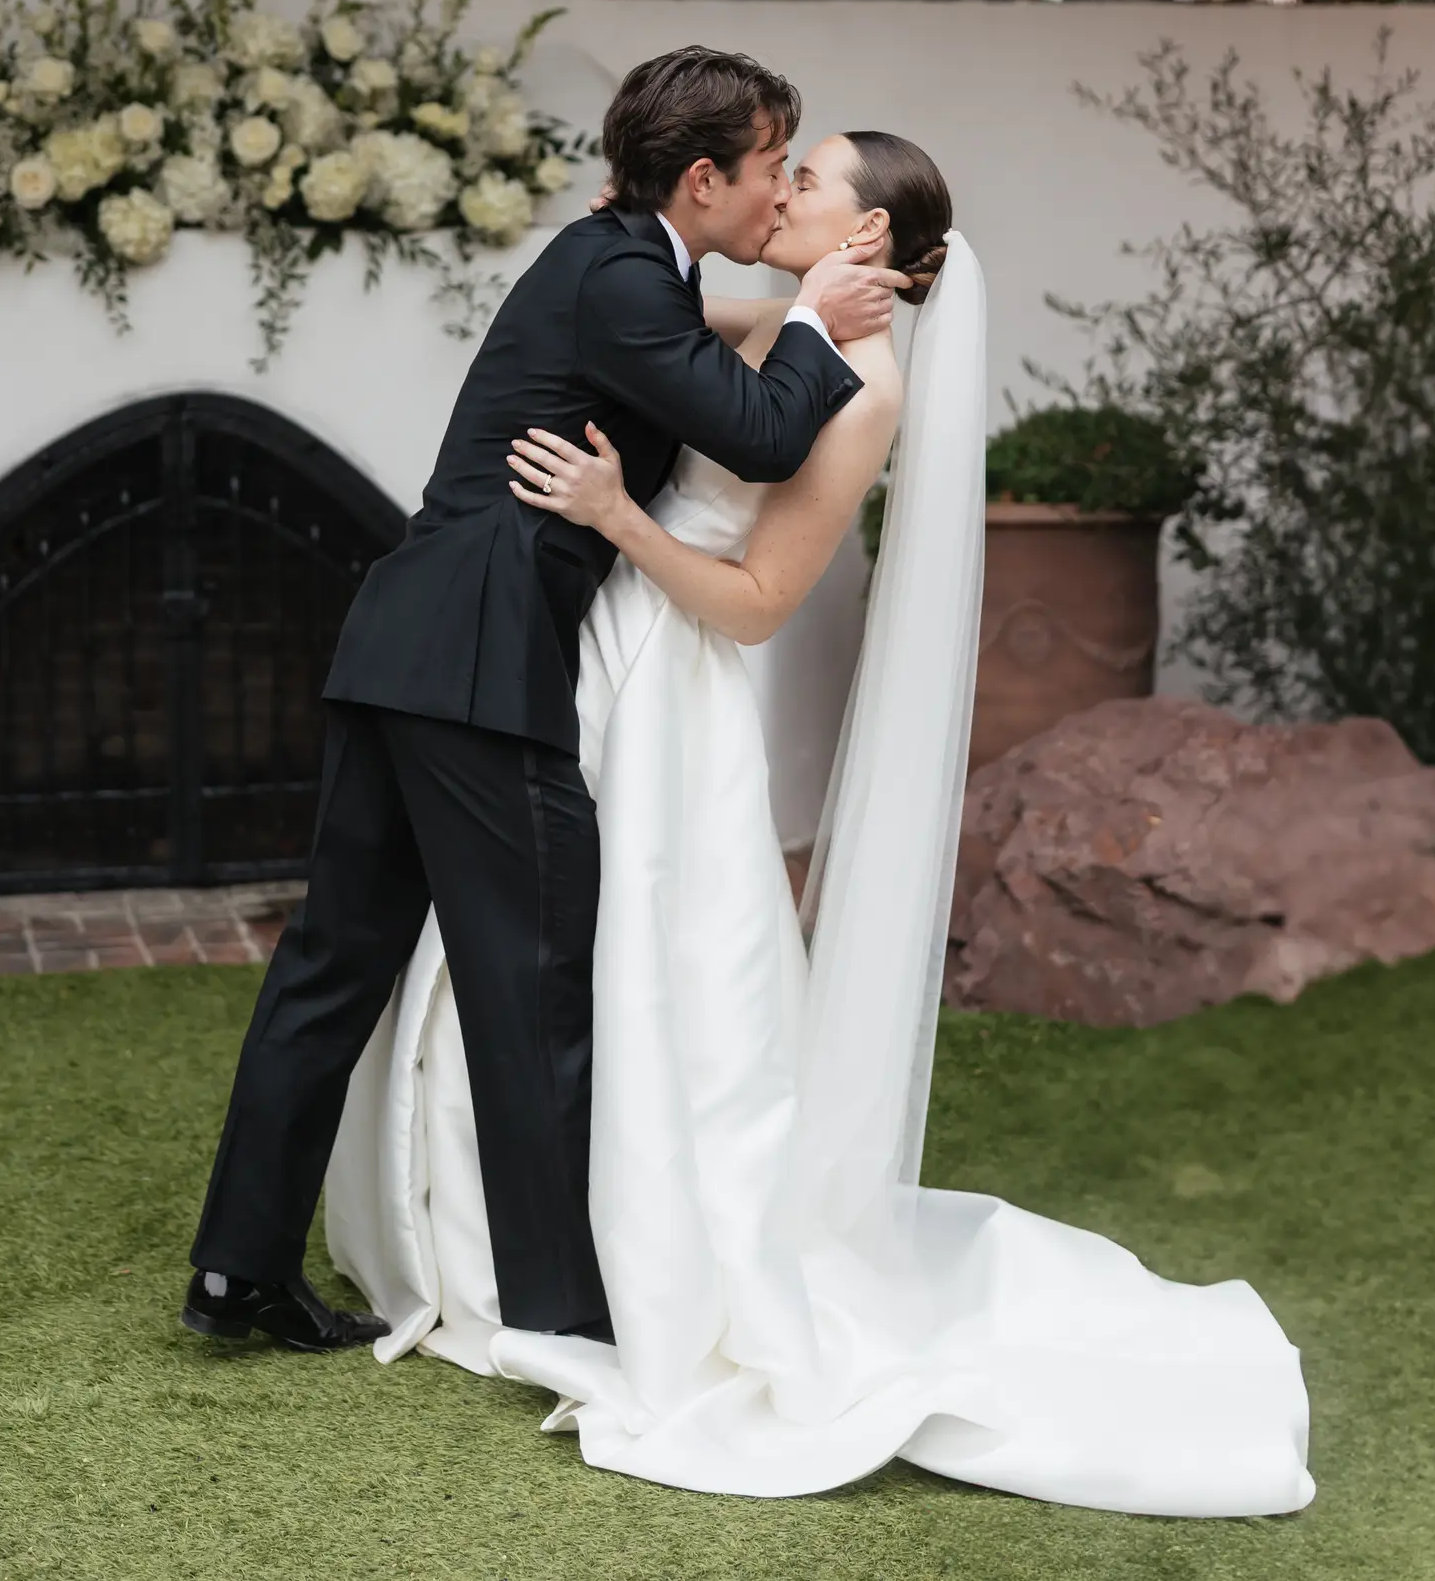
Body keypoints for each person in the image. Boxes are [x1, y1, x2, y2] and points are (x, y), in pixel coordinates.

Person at [324, 128, 1316, 1517]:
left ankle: (616, 1260)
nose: (777, 189)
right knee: (521, 953)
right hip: (592, 670)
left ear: (866, 240)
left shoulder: (860, 393)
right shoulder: (781, 326)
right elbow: (672, 313)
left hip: (673, 691)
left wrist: (616, 515)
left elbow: (752, 604)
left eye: (810, 180)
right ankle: (500, 1242)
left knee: (637, 978)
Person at [182, 48, 897, 1353]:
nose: (777, 194)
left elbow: (711, 378)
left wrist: (794, 310)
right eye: (767, 170)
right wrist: (812, 321)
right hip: (476, 673)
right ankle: (565, 1317)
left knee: (332, 967)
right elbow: (760, 434)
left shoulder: (622, 269)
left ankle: (238, 1273)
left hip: (401, 649)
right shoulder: (623, 275)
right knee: (538, 984)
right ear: (701, 177)